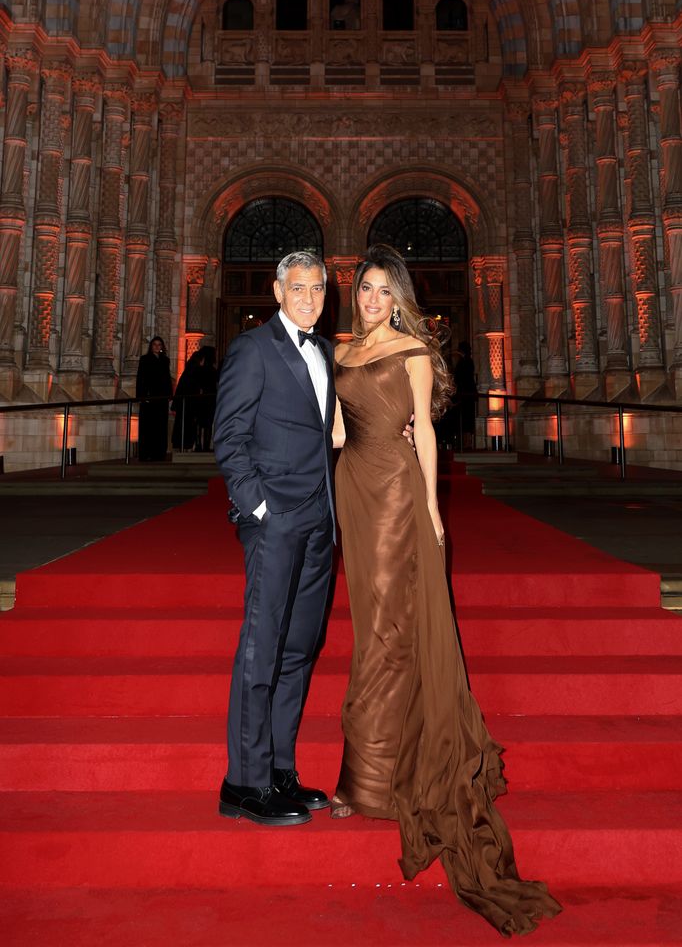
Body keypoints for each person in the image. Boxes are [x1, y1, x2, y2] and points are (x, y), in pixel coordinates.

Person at [329, 244, 561, 937]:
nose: (371, 299)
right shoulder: (342, 350)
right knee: (369, 619)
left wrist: (430, 507)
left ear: (398, 295)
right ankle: (367, 774)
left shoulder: (412, 351)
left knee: (389, 628)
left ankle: (370, 782)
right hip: (354, 487)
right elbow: (337, 429)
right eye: (364, 289)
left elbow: (424, 432)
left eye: (382, 290)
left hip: (398, 491)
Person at [213, 251, 335, 827]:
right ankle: (244, 782)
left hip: (320, 521)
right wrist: (260, 507)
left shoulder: (326, 351)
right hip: (274, 521)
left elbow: (324, 431)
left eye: (317, 288)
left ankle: (280, 769)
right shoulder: (253, 349)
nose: (309, 298)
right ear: (278, 291)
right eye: (298, 288)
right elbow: (229, 437)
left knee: (298, 649)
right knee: (262, 648)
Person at [135, 336, 173, 462]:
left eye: (159, 344)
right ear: (151, 346)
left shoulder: (165, 360)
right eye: (154, 344)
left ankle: (159, 453)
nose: (157, 346)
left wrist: (169, 394)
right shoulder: (145, 359)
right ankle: (146, 453)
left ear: (162, 347)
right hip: (149, 398)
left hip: (161, 398)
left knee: (160, 426)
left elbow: (167, 378)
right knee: (148, 426)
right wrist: (141, 396)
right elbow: (141, 378)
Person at [453, 339, 477, 449]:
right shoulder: (467, 361)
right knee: (465, 419)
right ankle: (465, 442)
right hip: (466, 394)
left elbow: (460, 378)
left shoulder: (465, 362)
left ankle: (466, 442)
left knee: (466, 419)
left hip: (465, 394)